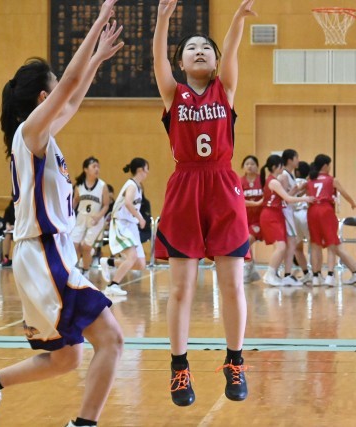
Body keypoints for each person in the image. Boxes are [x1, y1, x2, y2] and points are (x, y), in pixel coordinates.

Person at [0, 3, 125, 426]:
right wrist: (96, 24)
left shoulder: (42, 135)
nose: (61, 97)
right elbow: (68, 85)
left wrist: (97, 59)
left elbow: (72, 96)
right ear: (42, 98)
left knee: (67, 358)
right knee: (111, 339)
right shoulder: (31, 132)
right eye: (53, 91)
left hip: (48, 254)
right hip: (43, 253)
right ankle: (83, 425)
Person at [153, 0, 257, 406]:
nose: (200, 51)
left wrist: (237, 19)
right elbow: (158, 58)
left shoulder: (224, 89)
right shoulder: (172, 94)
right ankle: (179, 368)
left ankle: (235, 361)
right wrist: (163, 19)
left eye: (206, 48)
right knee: (181, 288)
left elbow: (232, 49)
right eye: (191, 48)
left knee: (232, 284)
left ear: (215, 63)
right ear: (180, 63)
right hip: (185, 186)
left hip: (223, 184)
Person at [306, 154, 356, 286]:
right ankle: (330, 276)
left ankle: (315, 277)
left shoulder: (309, 180)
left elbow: (304, 194)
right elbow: (344, 193)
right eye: (329, 165)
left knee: (315, 245)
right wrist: (353, 203)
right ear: (325, 165)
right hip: (326, 211)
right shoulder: (331, 180)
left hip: (312, 211)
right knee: (332, 245)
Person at [259, 154, 313, 287]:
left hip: (276, 213)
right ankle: (270, 274)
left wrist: (296, 190)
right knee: (281, 246)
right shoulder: (275, 181)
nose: (282, 168)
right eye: (280, 166)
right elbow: (287, 199)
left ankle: (277, 274)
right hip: (272, 214)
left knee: (284, 246)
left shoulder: (273, 180)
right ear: (275, 167)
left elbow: (284, 198)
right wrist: (305, 198)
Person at [100, 158, 149, 297]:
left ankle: (108, 262)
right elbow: (128, 202)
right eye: (147, 169)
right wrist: (140, 218)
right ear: (140, 170)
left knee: (140, 264)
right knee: (132, 256)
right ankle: (112, 285)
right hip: (121, 223)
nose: (148, 172)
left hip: (131, 225)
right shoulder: (132, 185)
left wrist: (137, 218)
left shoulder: (138, 186)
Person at [71, 156, 110, 279]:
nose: (97, 169)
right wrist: (68, 214)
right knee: (74, 245)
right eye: (94, 166)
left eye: (98, 166)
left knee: (86, 247)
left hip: (95, 219)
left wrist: (99, 216)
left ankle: (86, 270)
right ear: (86, 169)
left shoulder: (102, 185)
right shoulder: (79, 185)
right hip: (81, 218)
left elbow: (106, 205)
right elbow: (75, 200)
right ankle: (74, 269)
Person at [278, 149, 310, 285]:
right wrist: (297, 190)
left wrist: (302, 190)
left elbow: (293, 195)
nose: (298, 160)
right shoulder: (284, 175)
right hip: (286, 213)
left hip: (292, 213)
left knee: (293, 245)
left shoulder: (290, 175)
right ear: (290, 160)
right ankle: (285, 274)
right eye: (297, 158)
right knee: (290, 245)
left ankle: (299, 273)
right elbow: (284, 198)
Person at [240, 155, 264, 283]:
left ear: (257, 166)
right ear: (243, 166)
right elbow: (238, 200)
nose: (250, 166)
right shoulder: (240, 181)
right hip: (244, 219)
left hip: (259, 219)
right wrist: (255, 203)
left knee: (247, 241)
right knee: (243, 243)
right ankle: (251, 268)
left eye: (252, 164)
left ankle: (249, 267)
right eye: (247, 164)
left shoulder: (263, 180)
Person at [1, 196, 15, 267]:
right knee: (7, 234)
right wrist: (8, 226)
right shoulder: (9, 209)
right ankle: (6, 257)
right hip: (12, 231)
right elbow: (6, 221)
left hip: (23, 230)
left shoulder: (25, 207)